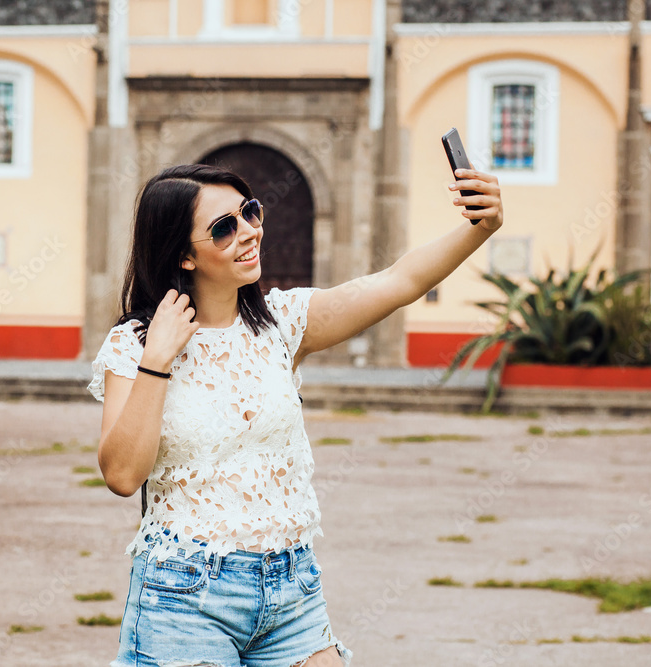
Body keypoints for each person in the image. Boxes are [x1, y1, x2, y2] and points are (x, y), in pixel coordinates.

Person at [88, 163, 503, 667]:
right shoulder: (134, 345)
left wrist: (479, 229)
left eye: (249, 212)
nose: (249, 232)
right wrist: (157, 359)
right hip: (183, 595)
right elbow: (122, 475)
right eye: (224, 228)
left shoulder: (283, 323)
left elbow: (399, 280)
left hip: (291, 589)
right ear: (184, 255)